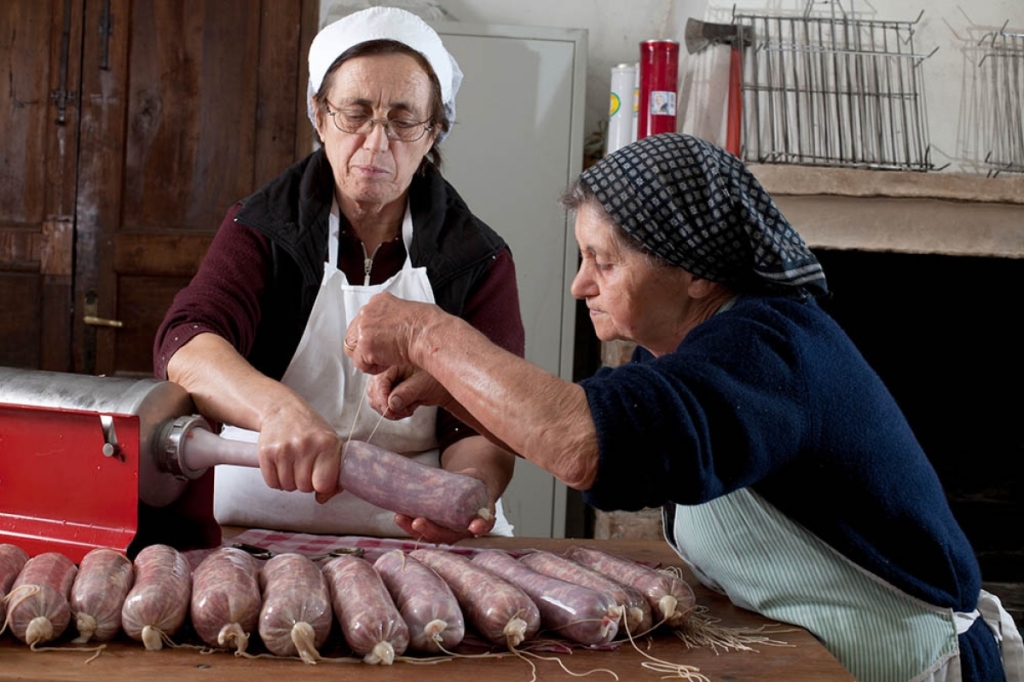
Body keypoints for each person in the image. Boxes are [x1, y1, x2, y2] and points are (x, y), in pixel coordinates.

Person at [343, 133, 1023, 681]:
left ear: (696, 270)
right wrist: (450, 389)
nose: (581, 284)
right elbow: (600, 422)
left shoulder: (767, 347)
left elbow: (585, 443)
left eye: (603, 262)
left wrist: (431, 335)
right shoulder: (683, 350)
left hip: (896, 664)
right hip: (809, 653)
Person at [153, 7, 523, 543]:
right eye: (355, 113)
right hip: (255, 520)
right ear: (319, 115)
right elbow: (186, 343)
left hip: (415, 535)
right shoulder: (261, 229)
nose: (376, 145)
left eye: (402, 119)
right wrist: (278, 410)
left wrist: (464, 491)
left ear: (434, 130)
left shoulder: (476, 259)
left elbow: (489, 420)